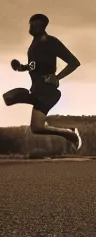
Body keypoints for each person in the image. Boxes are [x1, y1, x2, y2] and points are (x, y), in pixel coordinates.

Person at [2, 13, 82, 151]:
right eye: (30, 23)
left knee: (12, 99)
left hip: (47, 91)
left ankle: (24, 96)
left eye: (36, 24)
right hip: (37, 89)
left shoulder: (51, 41)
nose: (32, 26)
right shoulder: (33, 46)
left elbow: (74, 63)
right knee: (36, 128)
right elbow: (35, 66)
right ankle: (69, 133)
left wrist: (57, 77)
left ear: (43, 26)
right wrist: (22, 67)